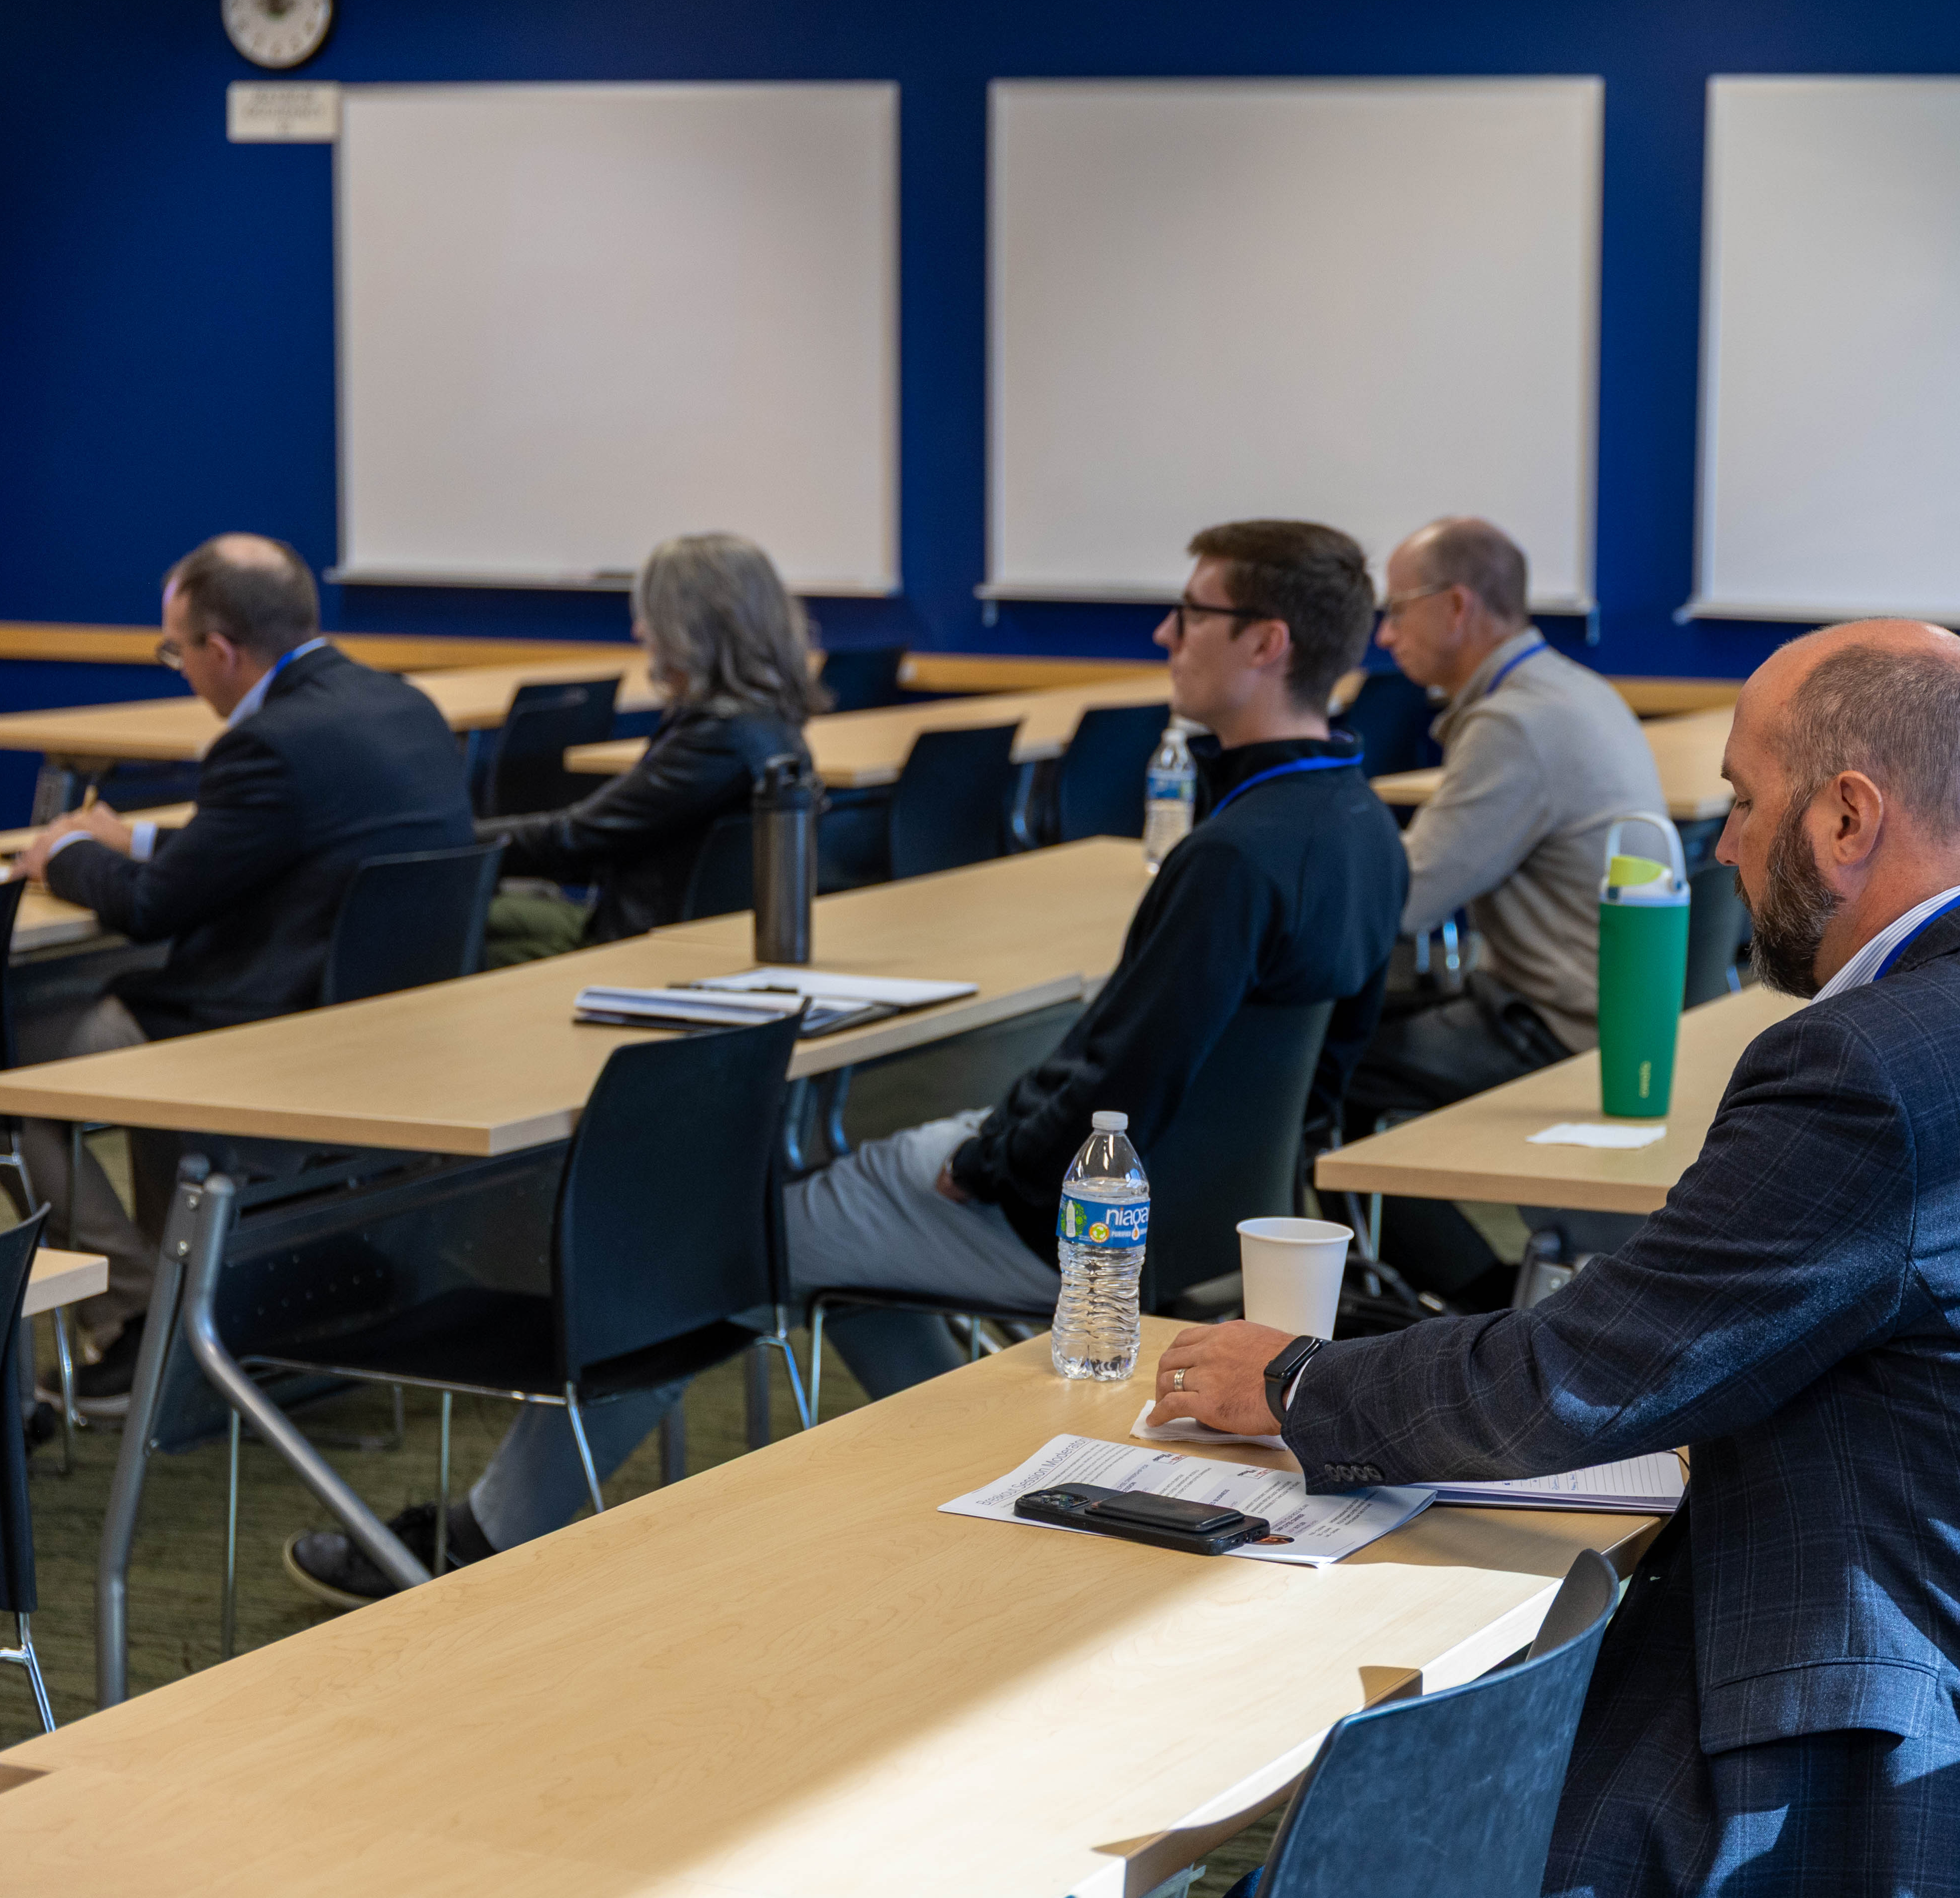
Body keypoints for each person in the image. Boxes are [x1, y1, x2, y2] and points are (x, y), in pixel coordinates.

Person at [1154, 622, 1960, 1897]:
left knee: (1360, 1855)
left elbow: (1583, 1374)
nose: (1728, 845)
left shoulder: (1874, 1064)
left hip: (1928, 1800)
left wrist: (1298, 1381)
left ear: (1847, 817)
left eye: (1745, 801)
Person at [283, 519, 1407, 1604]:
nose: (1166, 634)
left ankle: (485, 1534)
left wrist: (993, 1162)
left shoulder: (1230, 854)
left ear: (1265, 642)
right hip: (1211, 1217)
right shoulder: (1357, 822)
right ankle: (1014, 1485)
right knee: (857, 1235)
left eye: (1191, 613)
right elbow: (1323, 1068)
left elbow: (1123, 1076)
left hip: (1087, 1223)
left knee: (714, 1240)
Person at [11, 535, 473, 1400]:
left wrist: (64, 853)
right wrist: (136, 839)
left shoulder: (268, 741)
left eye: (176, 651)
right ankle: (181, 1308)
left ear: (221, 650)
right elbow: (285, 840)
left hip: (262, 1026)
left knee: (7, 1071)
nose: (180, 669)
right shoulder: (400, 704)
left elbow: (151, 909)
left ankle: (138, 1318)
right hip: (386, 1018)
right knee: (110, 1037)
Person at [1344, 516, 1668, 1303]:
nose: (1385, 635)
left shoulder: (1514, 724)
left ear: (1456, 606)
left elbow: (1405, 904)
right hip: (1624, 1015)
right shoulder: (1572, 688)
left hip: (1558, 1029)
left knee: (1328, 1067)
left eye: (1398, 610)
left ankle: (1470, 1301)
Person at [477, 533, 816, 965]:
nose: (639, 631)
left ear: (692, 629)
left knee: (444, 927)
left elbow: (575, 838)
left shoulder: (717, 737)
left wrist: (446, 841)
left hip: (639, 950)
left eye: (653, 618)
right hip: (684, 936)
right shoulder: (769, 724)